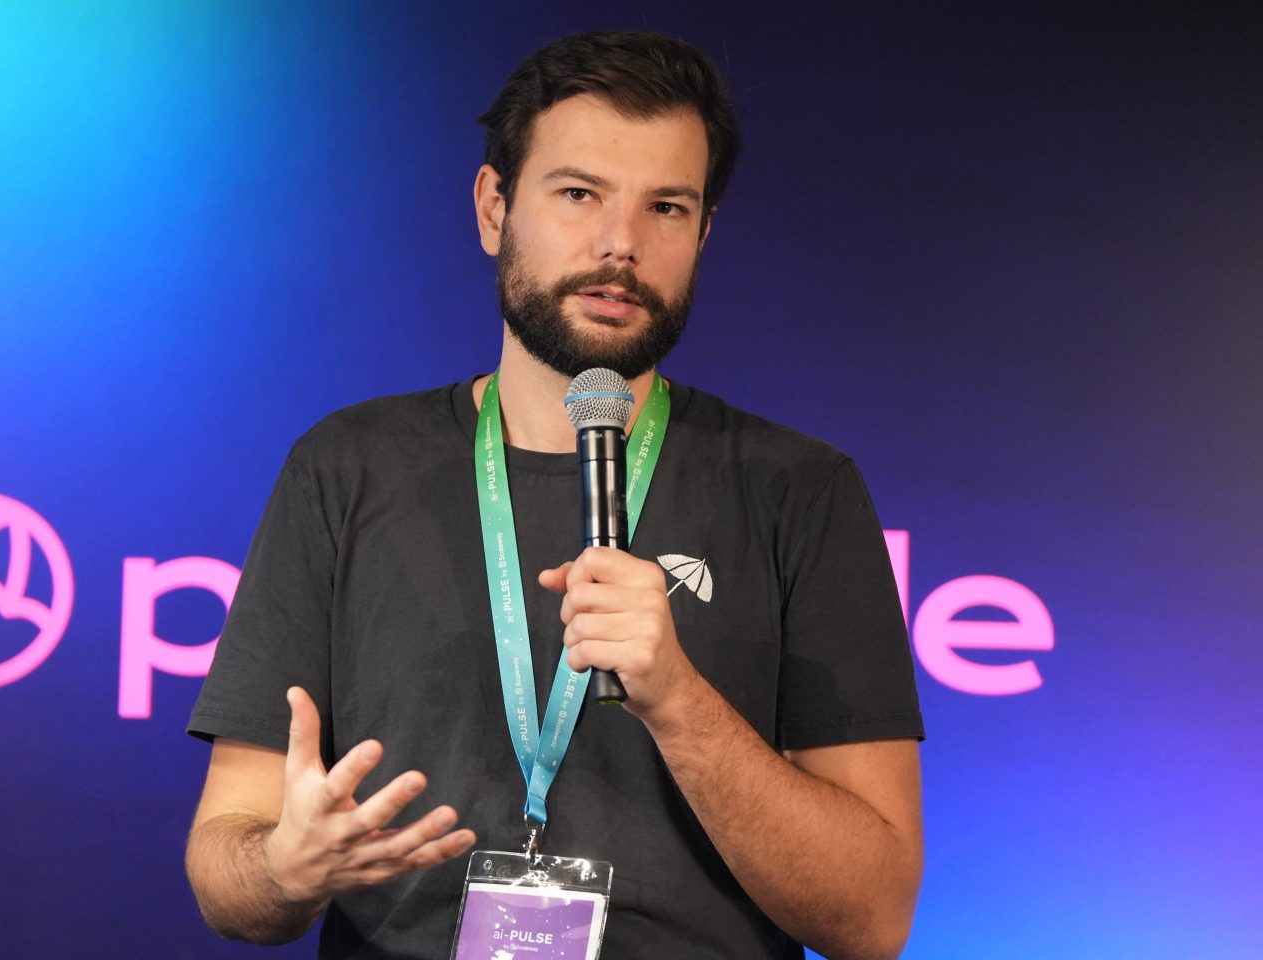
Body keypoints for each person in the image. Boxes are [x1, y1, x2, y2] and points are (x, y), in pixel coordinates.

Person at [185, 31, 924, 960]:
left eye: (667, 207)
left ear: (703, 232)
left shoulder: (800, 492)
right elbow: (225, 867)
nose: (621, 244)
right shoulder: (347, 467)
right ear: (494, 208)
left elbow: (873, 917)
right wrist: (284, 870)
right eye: (578, 194)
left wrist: (677, 699)